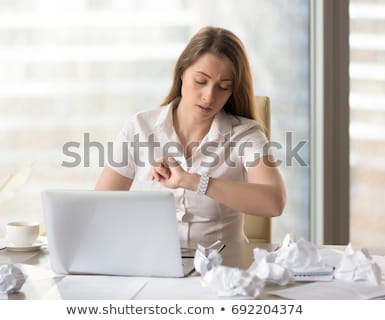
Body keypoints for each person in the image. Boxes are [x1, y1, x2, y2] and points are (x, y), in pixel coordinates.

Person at [95, 26, 286, 247]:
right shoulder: (140, 127)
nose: (209, 96)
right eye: (201, 81)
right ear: (182, 72)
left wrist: (192, 181)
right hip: (153, 270)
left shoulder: (246, 134)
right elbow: (100, 209)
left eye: (223, 87)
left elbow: (274, 202)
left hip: (222, 273)